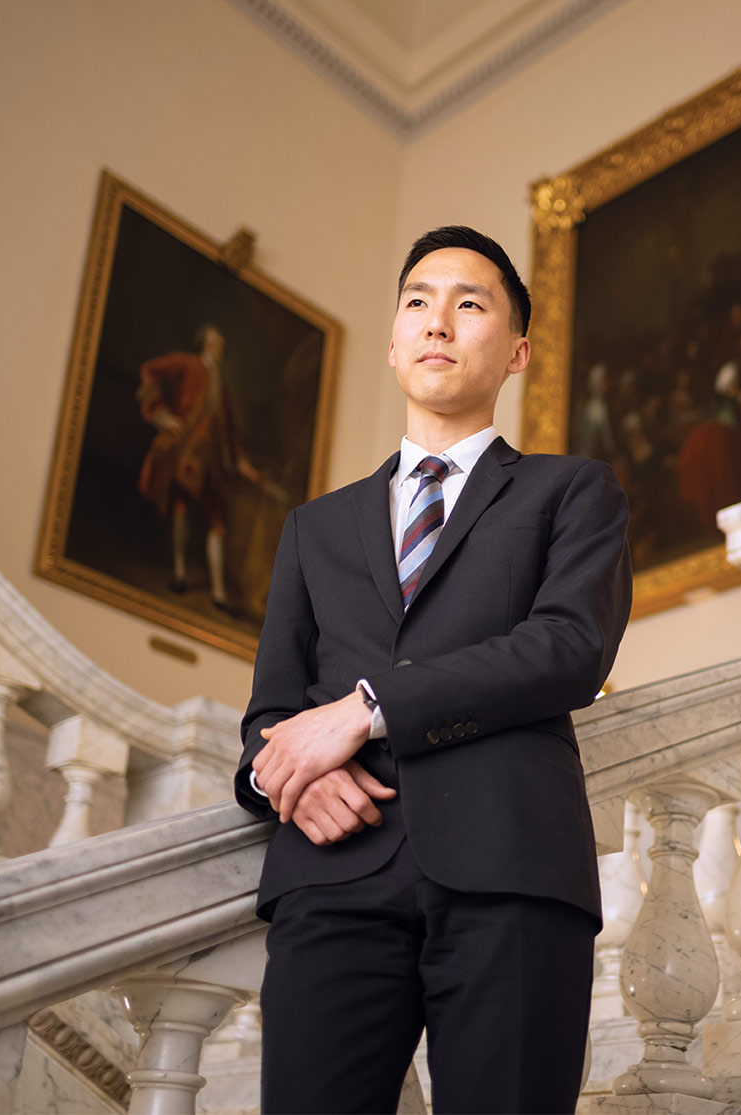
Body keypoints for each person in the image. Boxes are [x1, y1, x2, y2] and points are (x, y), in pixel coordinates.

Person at [235, 226, 633, 1114]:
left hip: (513, 873)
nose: (438, 322)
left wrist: (367, 709)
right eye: (418, 301)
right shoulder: (314, 528)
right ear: (393, 341)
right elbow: (269, 714)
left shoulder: (573, 492)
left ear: (518, 351)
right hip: (334, 878)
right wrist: (288, 782)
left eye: (470, 303)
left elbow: (570, 646)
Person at [136, 324, 260, 608]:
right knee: (181, 508)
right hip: (188, 451)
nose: (217, 349)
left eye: (220, 345)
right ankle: (179, 573)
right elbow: (149, 370)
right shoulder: (188, 364)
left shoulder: (223, 386)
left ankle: (218, 592)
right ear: (204, 344)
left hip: (212, 459)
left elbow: (230, 429)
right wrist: (161, 416)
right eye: (213, 343)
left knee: (217, 519)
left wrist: (241, 463)